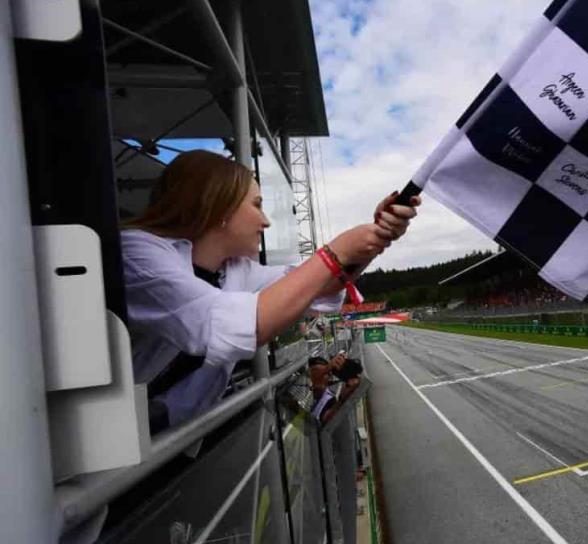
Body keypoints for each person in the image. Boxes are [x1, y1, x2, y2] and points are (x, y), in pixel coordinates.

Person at [121, 150, 419, 432]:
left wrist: (376, 237)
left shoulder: (234, 270)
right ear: (219, 205)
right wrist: (335, 252)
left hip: (170, 441)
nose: (266, 221)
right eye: (257, 204)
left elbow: (317, 286)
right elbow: (228, 326)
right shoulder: (136, 253)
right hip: (109, 460)